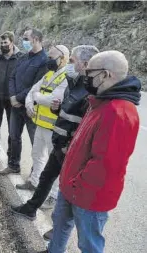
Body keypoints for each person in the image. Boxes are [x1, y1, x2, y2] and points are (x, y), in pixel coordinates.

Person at [45, 50, 141, 253]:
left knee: (89, 244)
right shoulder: (99, 100)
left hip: (88, 195)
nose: (84, 77)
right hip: (71, 184)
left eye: (89, 73)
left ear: (105, 74)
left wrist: (76, 184)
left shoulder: (119, 112)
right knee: (60, 227)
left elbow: (105, 165)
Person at [11, 46, 99, 232]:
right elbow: (65, 111)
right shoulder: (74, 81)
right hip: (60, 140)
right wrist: (56, 109)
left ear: (85, 63)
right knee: (46, 176)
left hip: (71, 146)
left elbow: (86, 122)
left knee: (66, 189)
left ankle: (58, 229)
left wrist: (71, 143)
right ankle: (31, 208)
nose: (70, 65)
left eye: (73, 61)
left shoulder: (90, 89)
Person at [15, 45, 70, 209]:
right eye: (49, 57)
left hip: (54, 128)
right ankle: (34, 182)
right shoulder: (49, 74)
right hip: (40, 123)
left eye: (52, 57)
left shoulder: (66, 77)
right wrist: (30, 103)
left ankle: (52, 196)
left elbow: (53, 98)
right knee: (37, 155)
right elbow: (33, 90)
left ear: (63, 58)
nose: (49, 60)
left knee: (53, 164)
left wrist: (36, 97)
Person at [0, 28, 48, 174]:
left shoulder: (44, 60)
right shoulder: (23, 57)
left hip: (31, 107)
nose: (24, 41)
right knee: (14, 137)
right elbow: (12, 77)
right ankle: (13, 165)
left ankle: (35, 173)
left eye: (26, 38)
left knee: (35, 141)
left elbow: (37, 85)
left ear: (36, 39)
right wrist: (13, 97)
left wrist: (19, 98)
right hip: (16, 106)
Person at [0, 31, 24, 162]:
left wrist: (17, 96)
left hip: (12, 101)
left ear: (12, 43)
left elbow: (23, 78)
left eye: (5, 42)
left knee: (11, 130)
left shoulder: (20, 58)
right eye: (1, 43)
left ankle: (10, 153)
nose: (3, 45)